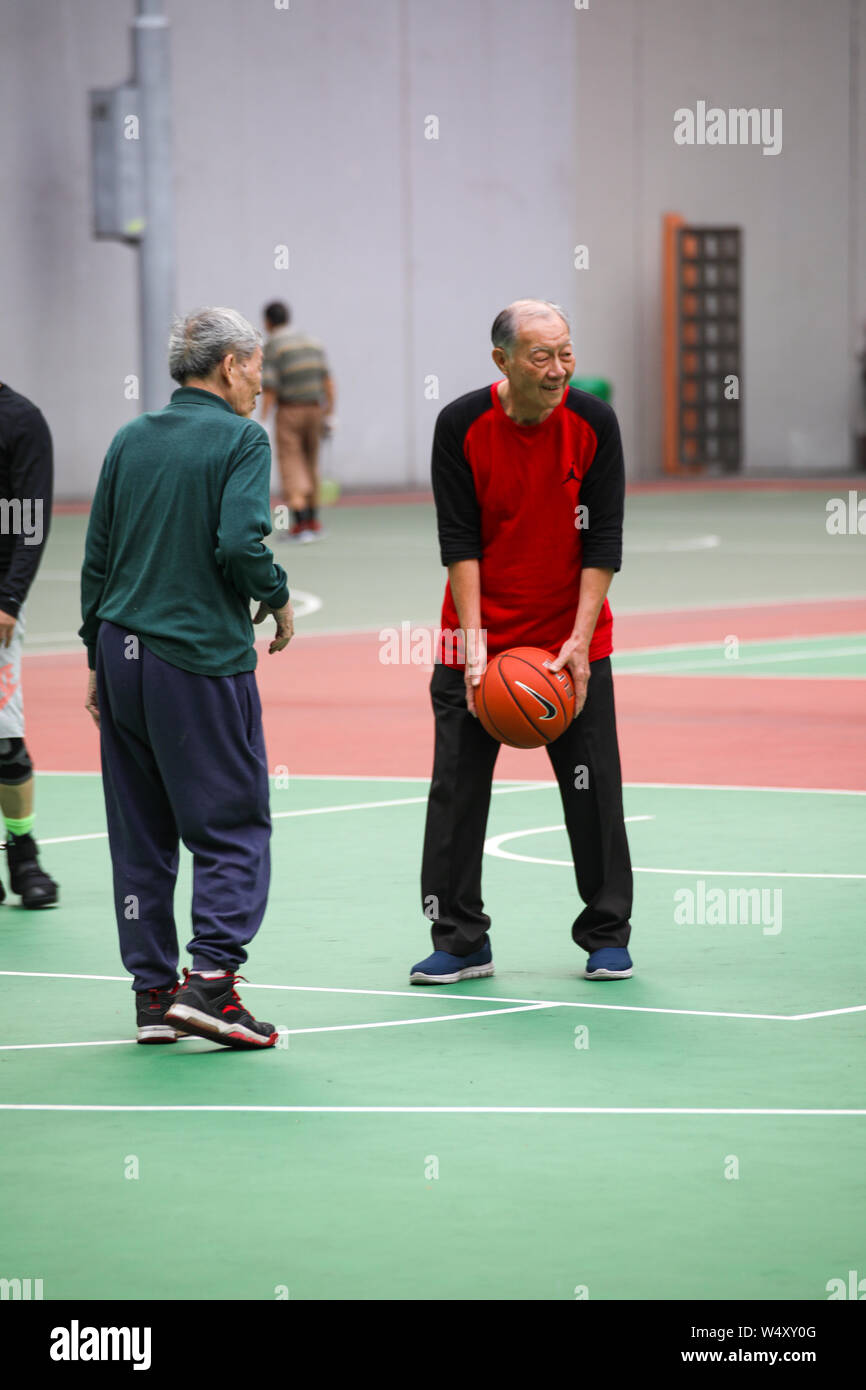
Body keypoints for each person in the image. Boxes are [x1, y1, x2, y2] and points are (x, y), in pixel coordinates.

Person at [80, 307, 294, 1048]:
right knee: (232, 823)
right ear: (231, 365)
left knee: (140, 831)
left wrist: (93, 656)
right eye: (257, 368)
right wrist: (276, 593)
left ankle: (152, 993)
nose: (261, 386)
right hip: (196, 655)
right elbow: (241, 541)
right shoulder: (240, 440)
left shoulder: (130, 439)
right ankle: (211, 985)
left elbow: (97, 561)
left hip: (122, 653)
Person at [412, 299, 633, 984]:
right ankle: (459, 937)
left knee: (592, 786)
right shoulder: (460, 425)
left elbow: (603, 540)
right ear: (502, 360)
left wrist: (580, 639)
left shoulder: (593, 423)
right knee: (456, 787)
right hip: (474, 638)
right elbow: (460, 539)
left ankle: (606, 931)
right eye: (543, 355)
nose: (560, 367)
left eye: (567, 351)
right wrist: (475, 648)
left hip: (569, 641)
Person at [0, 379, 58, 908]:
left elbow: (29, 521)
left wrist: (9, 602)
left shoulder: (20, 420)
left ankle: (23, 853)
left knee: (4, 742)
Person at [259, 301, 335, 542]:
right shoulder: (312, 343)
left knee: (291, 463)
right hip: (316, 409)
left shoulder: (273, 346)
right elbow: (328, 382)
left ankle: (300, 525)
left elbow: (270, 387)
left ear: (268, 322)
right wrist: (331, 413)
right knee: (312, 462)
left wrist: (262, 419)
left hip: (290, 410)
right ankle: (313, 520)